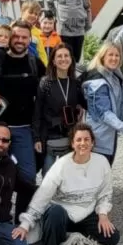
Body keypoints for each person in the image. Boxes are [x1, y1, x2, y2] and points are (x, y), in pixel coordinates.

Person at [13, 123, 120, 245]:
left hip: (86, 212)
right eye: (79, 140)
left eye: (86, 139)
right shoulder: (61, 165)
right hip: (62, 213)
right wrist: (25, 224)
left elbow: (105, 193)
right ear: (72, 143)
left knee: (112, 237)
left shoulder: (102, 162)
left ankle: (72, 238)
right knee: (55, 212)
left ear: (92, 142)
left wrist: (103, 215)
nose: (83, 143)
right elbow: (42, 196)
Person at [0, 20, 45, 187]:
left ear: (30, 39)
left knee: (28, 178)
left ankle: (22, 213)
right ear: (8, 37)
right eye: (16, 36)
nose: (20, 40)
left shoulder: (35, 63)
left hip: (23, 128)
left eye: (24, 37)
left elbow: (47, 93)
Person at [81, 41, 123, 165]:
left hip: (109, 134)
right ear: (103, 56)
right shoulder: (97, 80)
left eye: (117, 55)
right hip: (98, 137)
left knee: (104, 173)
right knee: (97, 175)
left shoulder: (114, 75)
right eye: (110, 55)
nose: (114, 58)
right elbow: (104, 112)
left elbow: (119, 38)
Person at [34, 43, 86, 175]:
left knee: (69, 173)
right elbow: (37, 110)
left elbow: (86, 104)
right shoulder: (46, 82)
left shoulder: (76, 83)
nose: (63, 59)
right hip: (50, 134)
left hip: (70, 134)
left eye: (66, 56)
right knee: (48, 174)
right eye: (59, 56)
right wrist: (36, 138)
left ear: (71, 59)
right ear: (53, 61)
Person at [47, 0, 91, 64]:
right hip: (64, 31)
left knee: (76, 57)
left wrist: (88, 24)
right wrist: (55, 14)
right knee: (65, 56)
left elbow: (87, 8)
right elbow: (49, 0)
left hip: (79, 31)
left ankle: (73, 77)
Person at [19, 0, 49, 67]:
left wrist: (46, 67)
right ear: (22, 11)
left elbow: (41, 52)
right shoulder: (12, 27)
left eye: (36, 14)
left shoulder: (37, 32)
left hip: (33, 66)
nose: (33, 15)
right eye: (31, 12)